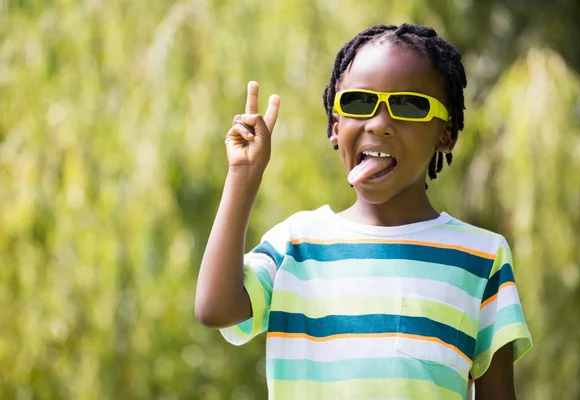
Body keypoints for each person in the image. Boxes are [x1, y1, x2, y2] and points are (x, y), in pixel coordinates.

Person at [195, 23, 532, 400]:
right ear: (335, 126)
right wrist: (243, 175)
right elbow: (215, 308)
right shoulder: (295, 245)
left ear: (446, 133)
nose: (379, 124)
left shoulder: (482, 257)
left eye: (409, 105)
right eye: (359, 103)